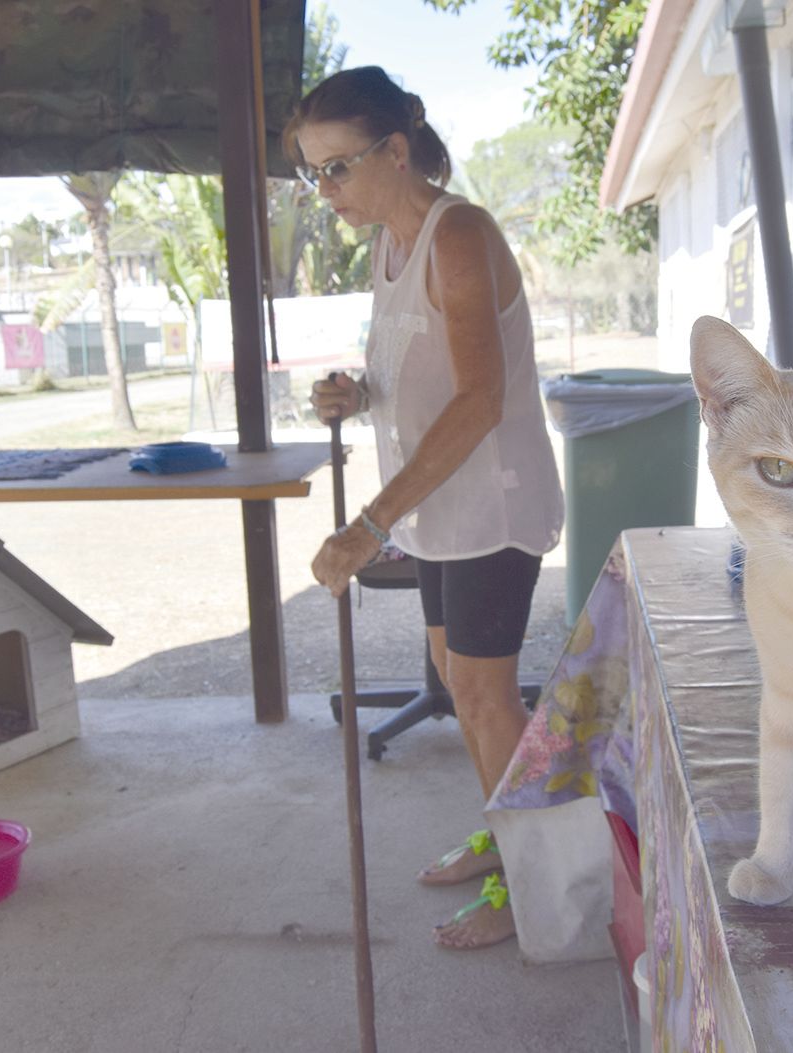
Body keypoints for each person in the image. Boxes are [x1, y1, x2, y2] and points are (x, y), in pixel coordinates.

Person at [287, 67, 564, 951]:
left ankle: (540, 883)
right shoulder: (387, 244)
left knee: (483, 696)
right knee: (458, 681)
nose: (322, 189)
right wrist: (353, 392)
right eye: (311, 172)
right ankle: (507, 834)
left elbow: (479, 398)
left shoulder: (458, 234)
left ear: (395, 151)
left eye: (335, 168)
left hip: (491, 502)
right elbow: (416, 370)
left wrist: (365, 526)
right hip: (440, 511)